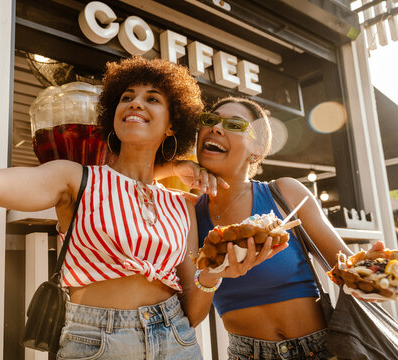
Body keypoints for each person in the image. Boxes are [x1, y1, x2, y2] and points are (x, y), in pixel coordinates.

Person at [0, 2, 285, 358]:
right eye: (127, 96)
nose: (136, 103)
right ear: (113, 113)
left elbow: (193, 309)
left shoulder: (181, 204)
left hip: (176, 339)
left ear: (173, 124)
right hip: (96, 342)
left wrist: (214, 276)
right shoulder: (75, 178)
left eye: (153, 98)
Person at [162, 96, 387, 360]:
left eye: (234, 124)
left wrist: (377, 272)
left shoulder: (284, 192)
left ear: (256, 149)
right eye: (210, 120)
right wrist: (174, 166)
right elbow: (190, 316)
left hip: (322, 349)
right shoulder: (188, 212)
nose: (216, 128)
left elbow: (348, 271)